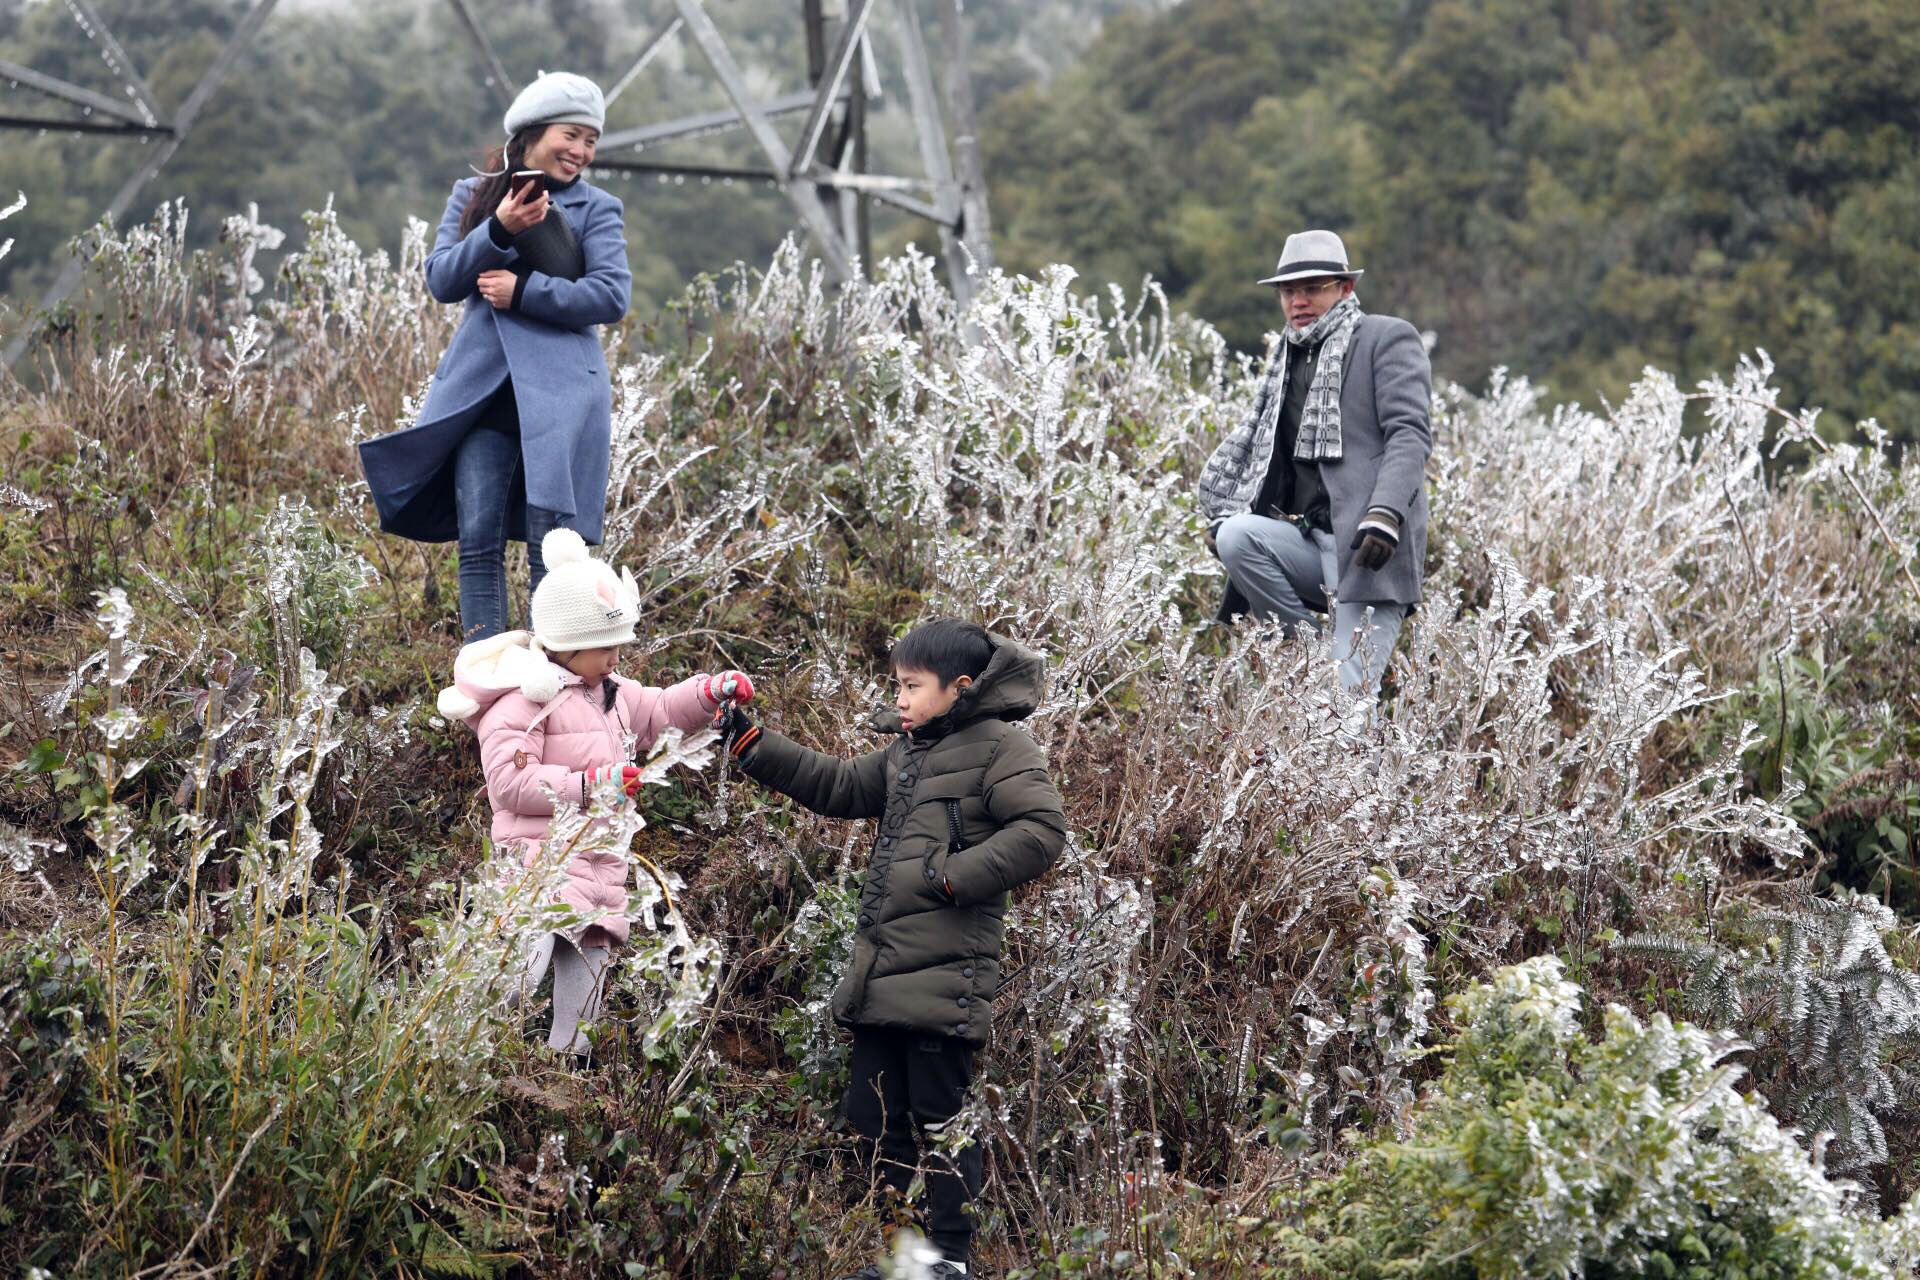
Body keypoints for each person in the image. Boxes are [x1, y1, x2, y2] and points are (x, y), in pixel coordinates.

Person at [716, 620, 1069, 1279]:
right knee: (876, 1118)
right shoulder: (909, 752)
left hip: (945, 980)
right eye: (896, 685)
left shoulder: (1002, 747)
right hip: (881, 976)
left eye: (912, 686)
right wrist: (754, 745)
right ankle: (905, 1257)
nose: (899, 698)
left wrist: (952, 876)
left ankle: (950, 1263)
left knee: (942, 1122)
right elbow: (841, 786)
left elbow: (1043, 829)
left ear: (959, 688)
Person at [435, 528, 755, 1060]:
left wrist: (706, 692)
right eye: (605, 648)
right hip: (540, 860)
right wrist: (591, 786)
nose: (615, 658)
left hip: (602, 860)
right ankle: (463, 1055)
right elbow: (510, 786)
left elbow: (660, 712)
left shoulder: (612, 693)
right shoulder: (521, 703)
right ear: (567, 645)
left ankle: (564, 1077)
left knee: (586, 983)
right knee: (519, 973)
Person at [359, 71, 632, 643]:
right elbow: (441, 279)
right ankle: (489, 676)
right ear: (532, 133)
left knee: (551, 551)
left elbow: (611, 296)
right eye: (571, 135)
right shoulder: (475, 195)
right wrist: (500, 227)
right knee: (477, 540)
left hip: (560, 400)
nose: (581, 151)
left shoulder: (597, 207)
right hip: (483, 398)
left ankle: (555, 671)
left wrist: (524, 293)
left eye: (591, 141)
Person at [1196, 229, 1432, 695]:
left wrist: (1385, 513)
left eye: (1312, 288)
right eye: (1288, 291)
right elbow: (1271, 459)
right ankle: (1308, 653)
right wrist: (1230, 508)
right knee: (1237, 535)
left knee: (1345, 713)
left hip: (1369, 551)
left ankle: (1336, 681)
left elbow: (1409, 434)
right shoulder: (1287, 357)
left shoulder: (1386, 337)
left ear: (1346, 288)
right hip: (1308, 539)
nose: (1298, 301)